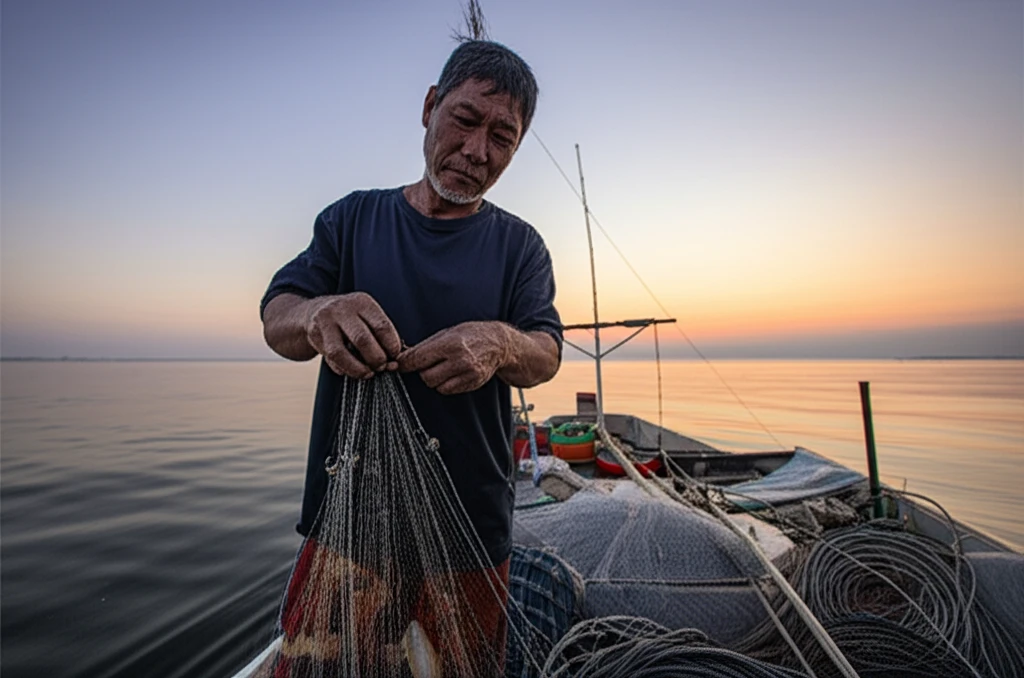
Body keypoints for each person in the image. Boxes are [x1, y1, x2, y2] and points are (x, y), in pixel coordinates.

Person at [260, 40, 562, 674]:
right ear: (429, 107)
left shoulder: (520, 248)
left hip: (471, 535)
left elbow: (545, 352)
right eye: (466, 119)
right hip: (347, 528)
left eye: (502, 137)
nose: (478, 152)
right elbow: (277, 315)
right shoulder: (351, 220)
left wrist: (499, 341)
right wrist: (318, 314)